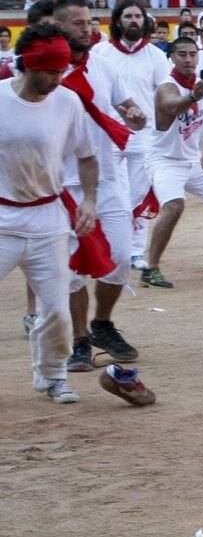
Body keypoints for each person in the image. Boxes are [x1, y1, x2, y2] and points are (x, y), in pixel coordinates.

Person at [0, 25, 97, 404]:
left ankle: (53, 376)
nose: (58, 78)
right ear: (29, 65)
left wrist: (89, 200)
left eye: (62, 71)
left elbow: (87, 157)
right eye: (51, 71)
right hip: (3, 219)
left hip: (49, 220)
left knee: (57, 310)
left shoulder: (68, 102)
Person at [54, 0, 146, 371]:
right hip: (63, 182)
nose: (87, 28)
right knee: (72, 268)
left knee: (120, 257)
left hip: (107, 176)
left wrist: (134, 115)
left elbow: (127, 107)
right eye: (78, 23)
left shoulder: (104, 66)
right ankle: (79, 340)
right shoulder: (45, 72)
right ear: (59, 27)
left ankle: (102, 323)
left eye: (89, 21)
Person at [141, 36, 203, 289]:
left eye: (193, 54)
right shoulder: (167, 86)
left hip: (192, 159)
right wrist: (192, 96)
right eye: (182, 54)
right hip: (164, 160)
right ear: (171, 57)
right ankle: (150, 267)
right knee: (174, 207)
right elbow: (171, 107)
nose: (188, 59)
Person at [92, 0, 170, 275]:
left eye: (138, 16)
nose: (134, 20)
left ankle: (135, 250)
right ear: (117, 20)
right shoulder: (99, 53)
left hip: (144, 135)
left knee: (139, 194)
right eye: (128, 16)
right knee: (109, 192)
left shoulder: (156, 56)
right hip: (108, 134)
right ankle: (110, 246)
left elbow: (164, 95)